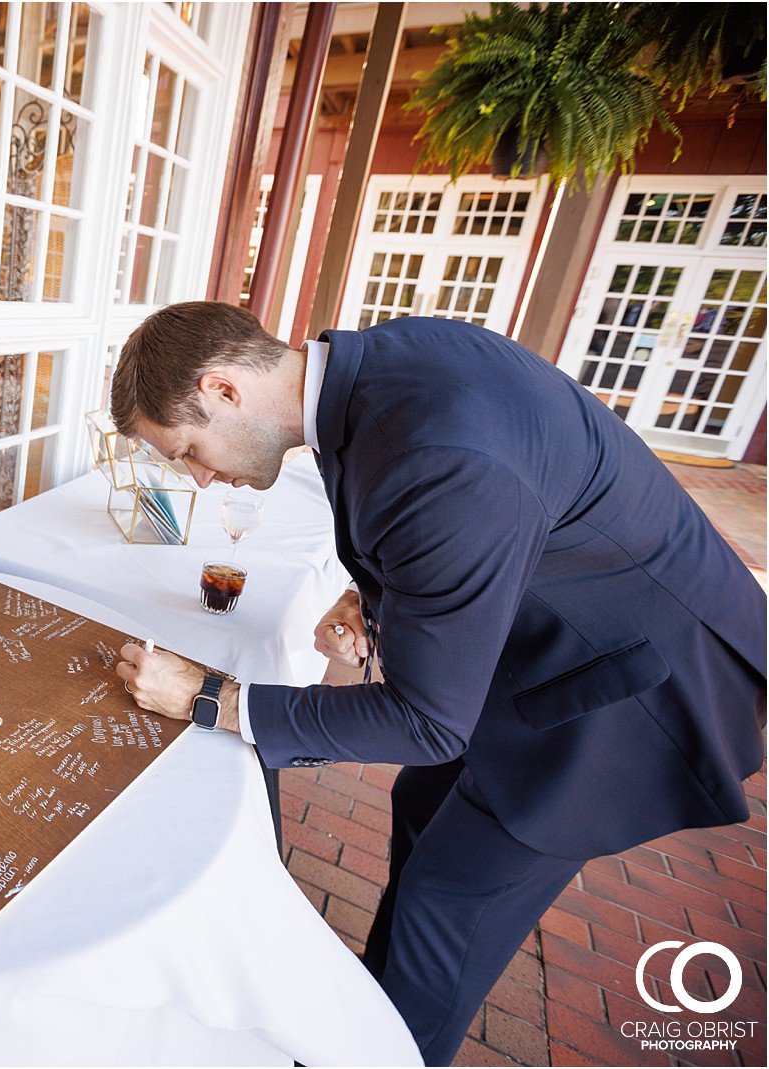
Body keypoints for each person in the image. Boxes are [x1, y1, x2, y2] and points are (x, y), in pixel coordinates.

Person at [109, 302, 766, 1066]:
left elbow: (426, 720)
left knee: (446, 906)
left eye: (186, 448)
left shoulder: (436, 450)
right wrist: (386, 595)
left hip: (626, 695)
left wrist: (214, 696)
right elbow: (477, 533)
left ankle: (393, 1045)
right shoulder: (378, 367)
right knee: (419, 805)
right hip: (552, 640)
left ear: (221, 389)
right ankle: (375, 1008)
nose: (199, 474)